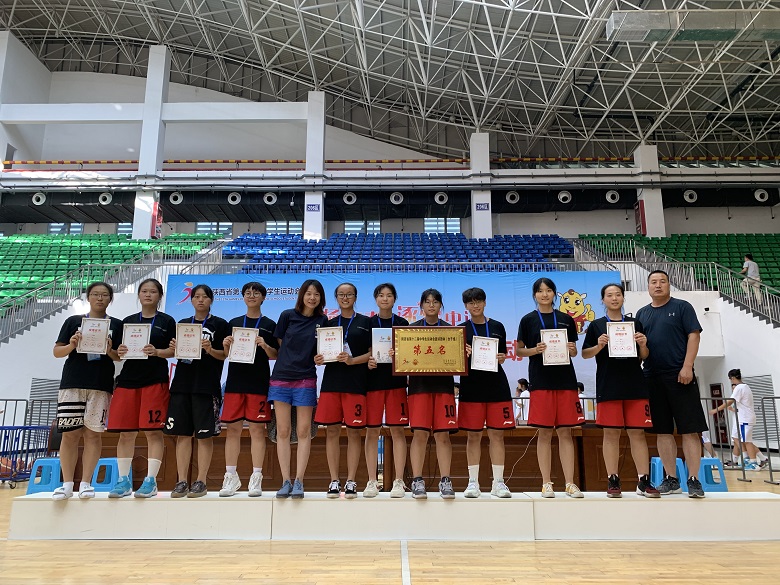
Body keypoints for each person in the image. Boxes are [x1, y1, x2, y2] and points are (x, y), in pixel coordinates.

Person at [581, 283, 660, 498]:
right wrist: (599, 345)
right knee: (611, 433)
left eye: (618, 294)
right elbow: (585, 354)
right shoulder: (596, 325)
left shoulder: (634, 323)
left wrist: (643, 344)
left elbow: (644, 356)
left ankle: (643, 480)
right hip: (609, 385)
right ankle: (613, 479)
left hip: (635, 385)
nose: (614, 298)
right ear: (603, 300)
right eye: (609, 295)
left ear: (623, 298)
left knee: (638, 433)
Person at [636, 270, 708, 498]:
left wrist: (687, 366)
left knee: (690, 429)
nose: (658, 285)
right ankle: (671, 479)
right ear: (648, 287)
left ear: (669, 285)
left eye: (662, 281)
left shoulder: (682, 307)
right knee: (663, 431)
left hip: (680, 376)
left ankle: (694, 479)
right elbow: (641, 349)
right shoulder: (642, 313)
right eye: (653, 282)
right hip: (652, 378)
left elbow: (694, 336)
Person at [52, 281, 123, 500]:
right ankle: (66, 484)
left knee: (93, 434)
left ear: (110, 299)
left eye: (104, 295)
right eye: (95, 294)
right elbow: (57, 351)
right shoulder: (73, 321)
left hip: (100, 385)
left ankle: (86, 483)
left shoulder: (117, 325)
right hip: (72, 383)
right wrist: (72, 345)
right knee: (70, 434)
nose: (100, 298)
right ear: (88, 297)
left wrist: (109, 350)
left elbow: (119, 357)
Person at [107, 278, 176, 498]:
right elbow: (118, 356)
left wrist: (157, 352)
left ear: (160, 296)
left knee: (153, 432)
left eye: (153, 291)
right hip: (128, 381)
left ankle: (151, 481)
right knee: (126, 433)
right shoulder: (127, 321)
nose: (148, 294)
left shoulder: (167, 321)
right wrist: (114, 350)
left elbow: (174, 351)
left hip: (155, 381)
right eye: (144, 291)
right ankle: (123, 481)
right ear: (138, 294)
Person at [516, 277, 583, 498]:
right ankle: (546, 483)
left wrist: (572, 349)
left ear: (554, 293)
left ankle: (570, 483)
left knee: (565, 432)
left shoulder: (566, 319)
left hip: (565, 381)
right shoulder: (528, 320)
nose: (544, 294)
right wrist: (535, 350)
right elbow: (519, 351)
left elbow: (574, 351)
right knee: (544, 433)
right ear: (535, 294)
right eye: (540, 291)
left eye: (548, 290)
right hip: (541, 381)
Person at [165, 284, 230, 498]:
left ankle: (201, 481)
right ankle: (182, 480)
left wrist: (210, 349)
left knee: (204, 435)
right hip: (182, 384)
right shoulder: (183, 324)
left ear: (211, 300)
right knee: (183, 434)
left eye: (204, 296)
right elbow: (174, 353)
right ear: (191, 300)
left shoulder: (220, 324)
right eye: (197, 296)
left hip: (206, 385)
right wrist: (173, 348)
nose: (200, 300)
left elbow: (224, 355)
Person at [219, 282, 279, 497]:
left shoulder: (270, 324)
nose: (251, 296)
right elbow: (225, 355)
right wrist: (226, 345)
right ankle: (230, 476)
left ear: (263, 297)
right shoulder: (233, 324)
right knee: (232, 430)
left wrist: (265, 345)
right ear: (243, 297)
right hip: (235, 383)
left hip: (258, 384)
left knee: (257, 431)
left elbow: (276, 355)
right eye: (248, 293)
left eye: (256, 293)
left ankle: (256, 477)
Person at [270, 279, 328, 499]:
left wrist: (319, 357)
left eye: (316, 294)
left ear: (321, 298)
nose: (312, 298)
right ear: (302, 295)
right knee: (283, 431)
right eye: (308, 293)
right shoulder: (287, 315)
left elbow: (322, 349)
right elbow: (280, 344)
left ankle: (299, 481)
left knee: (304, 431)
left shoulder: (323, 320)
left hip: (305, 379)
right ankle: (285, 480)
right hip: (281, 379)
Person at [314, 282, 373, 499]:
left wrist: (352, 361)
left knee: (354, 432)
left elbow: (373, 352)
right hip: (332, 384)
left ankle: (351, 481)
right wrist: (318, 359)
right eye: (341, 294)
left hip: (356, 384)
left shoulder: (366, 322)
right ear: (336, 297)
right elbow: (319, 352)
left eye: (349, 294)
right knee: (331, 431)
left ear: (355, 297)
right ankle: (334, 480)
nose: (345, 298)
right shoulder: (328, 324)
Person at [458, 287, 514, 498]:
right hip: (471, 386)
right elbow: (455, 362)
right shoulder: (461, 329)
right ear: (465, 306)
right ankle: (473, 482)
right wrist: (462, 354)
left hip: (496, 386)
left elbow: (503, 355)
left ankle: (498, 482)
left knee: (497, 435)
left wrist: (501, 357)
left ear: (485, 302)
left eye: (479, 301)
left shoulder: (497, 326)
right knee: (473, 436)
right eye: (471, 302)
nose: (475, 305)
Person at [407, 288, 457, 499]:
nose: (431, 305)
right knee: (420, 434)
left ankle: (445, 480)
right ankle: (417, 480)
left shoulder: (451, 331)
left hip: (443, 388)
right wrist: (398, 354)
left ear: (440, 306)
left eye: (435, 302)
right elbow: (405, 360)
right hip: (419, 388)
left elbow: (456, 360)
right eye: (427, 302)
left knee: (442, 435)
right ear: (421, 305)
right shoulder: (410, 331)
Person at [366, 283, 410, 498]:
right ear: (376, 299)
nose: (385, 299)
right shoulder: (367, 323)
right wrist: (368, 361)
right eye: (381, 295)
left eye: (389, 295)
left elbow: (411, 355)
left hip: (396, 384)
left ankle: (399, 481)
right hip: (372, 383)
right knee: (371, 432)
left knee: (398, 431)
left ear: (395, 299)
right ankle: (372, 481)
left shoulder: (402, 323)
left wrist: (400, 355)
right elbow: (363, 352)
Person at [710, 369, 760, 471]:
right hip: (743, 418)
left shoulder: (739, 388)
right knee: (736, 437)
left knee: (747, 441)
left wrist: (716, 410)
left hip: (745, 418)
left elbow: (730, 401)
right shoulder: (745, 387)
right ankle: (746, 458)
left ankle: (754, 463)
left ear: (732, 378)